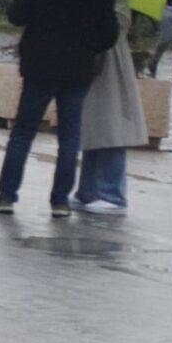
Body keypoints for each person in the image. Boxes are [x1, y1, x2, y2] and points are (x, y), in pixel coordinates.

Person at [0, 0, 119, 216]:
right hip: (77, 68)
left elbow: (17, 15)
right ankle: (60, 201)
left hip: (40, 65)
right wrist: (86, 47)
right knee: (69, 136)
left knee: (23, 131)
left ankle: (6, 195)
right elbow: (109, 35)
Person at [73, 17, 142, 215]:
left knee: (110, 127)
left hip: (110, 61)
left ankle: (111, 194)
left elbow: (119, 21)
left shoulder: (115, 1)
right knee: (94, 128)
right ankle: (88, 191)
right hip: (94, 60)